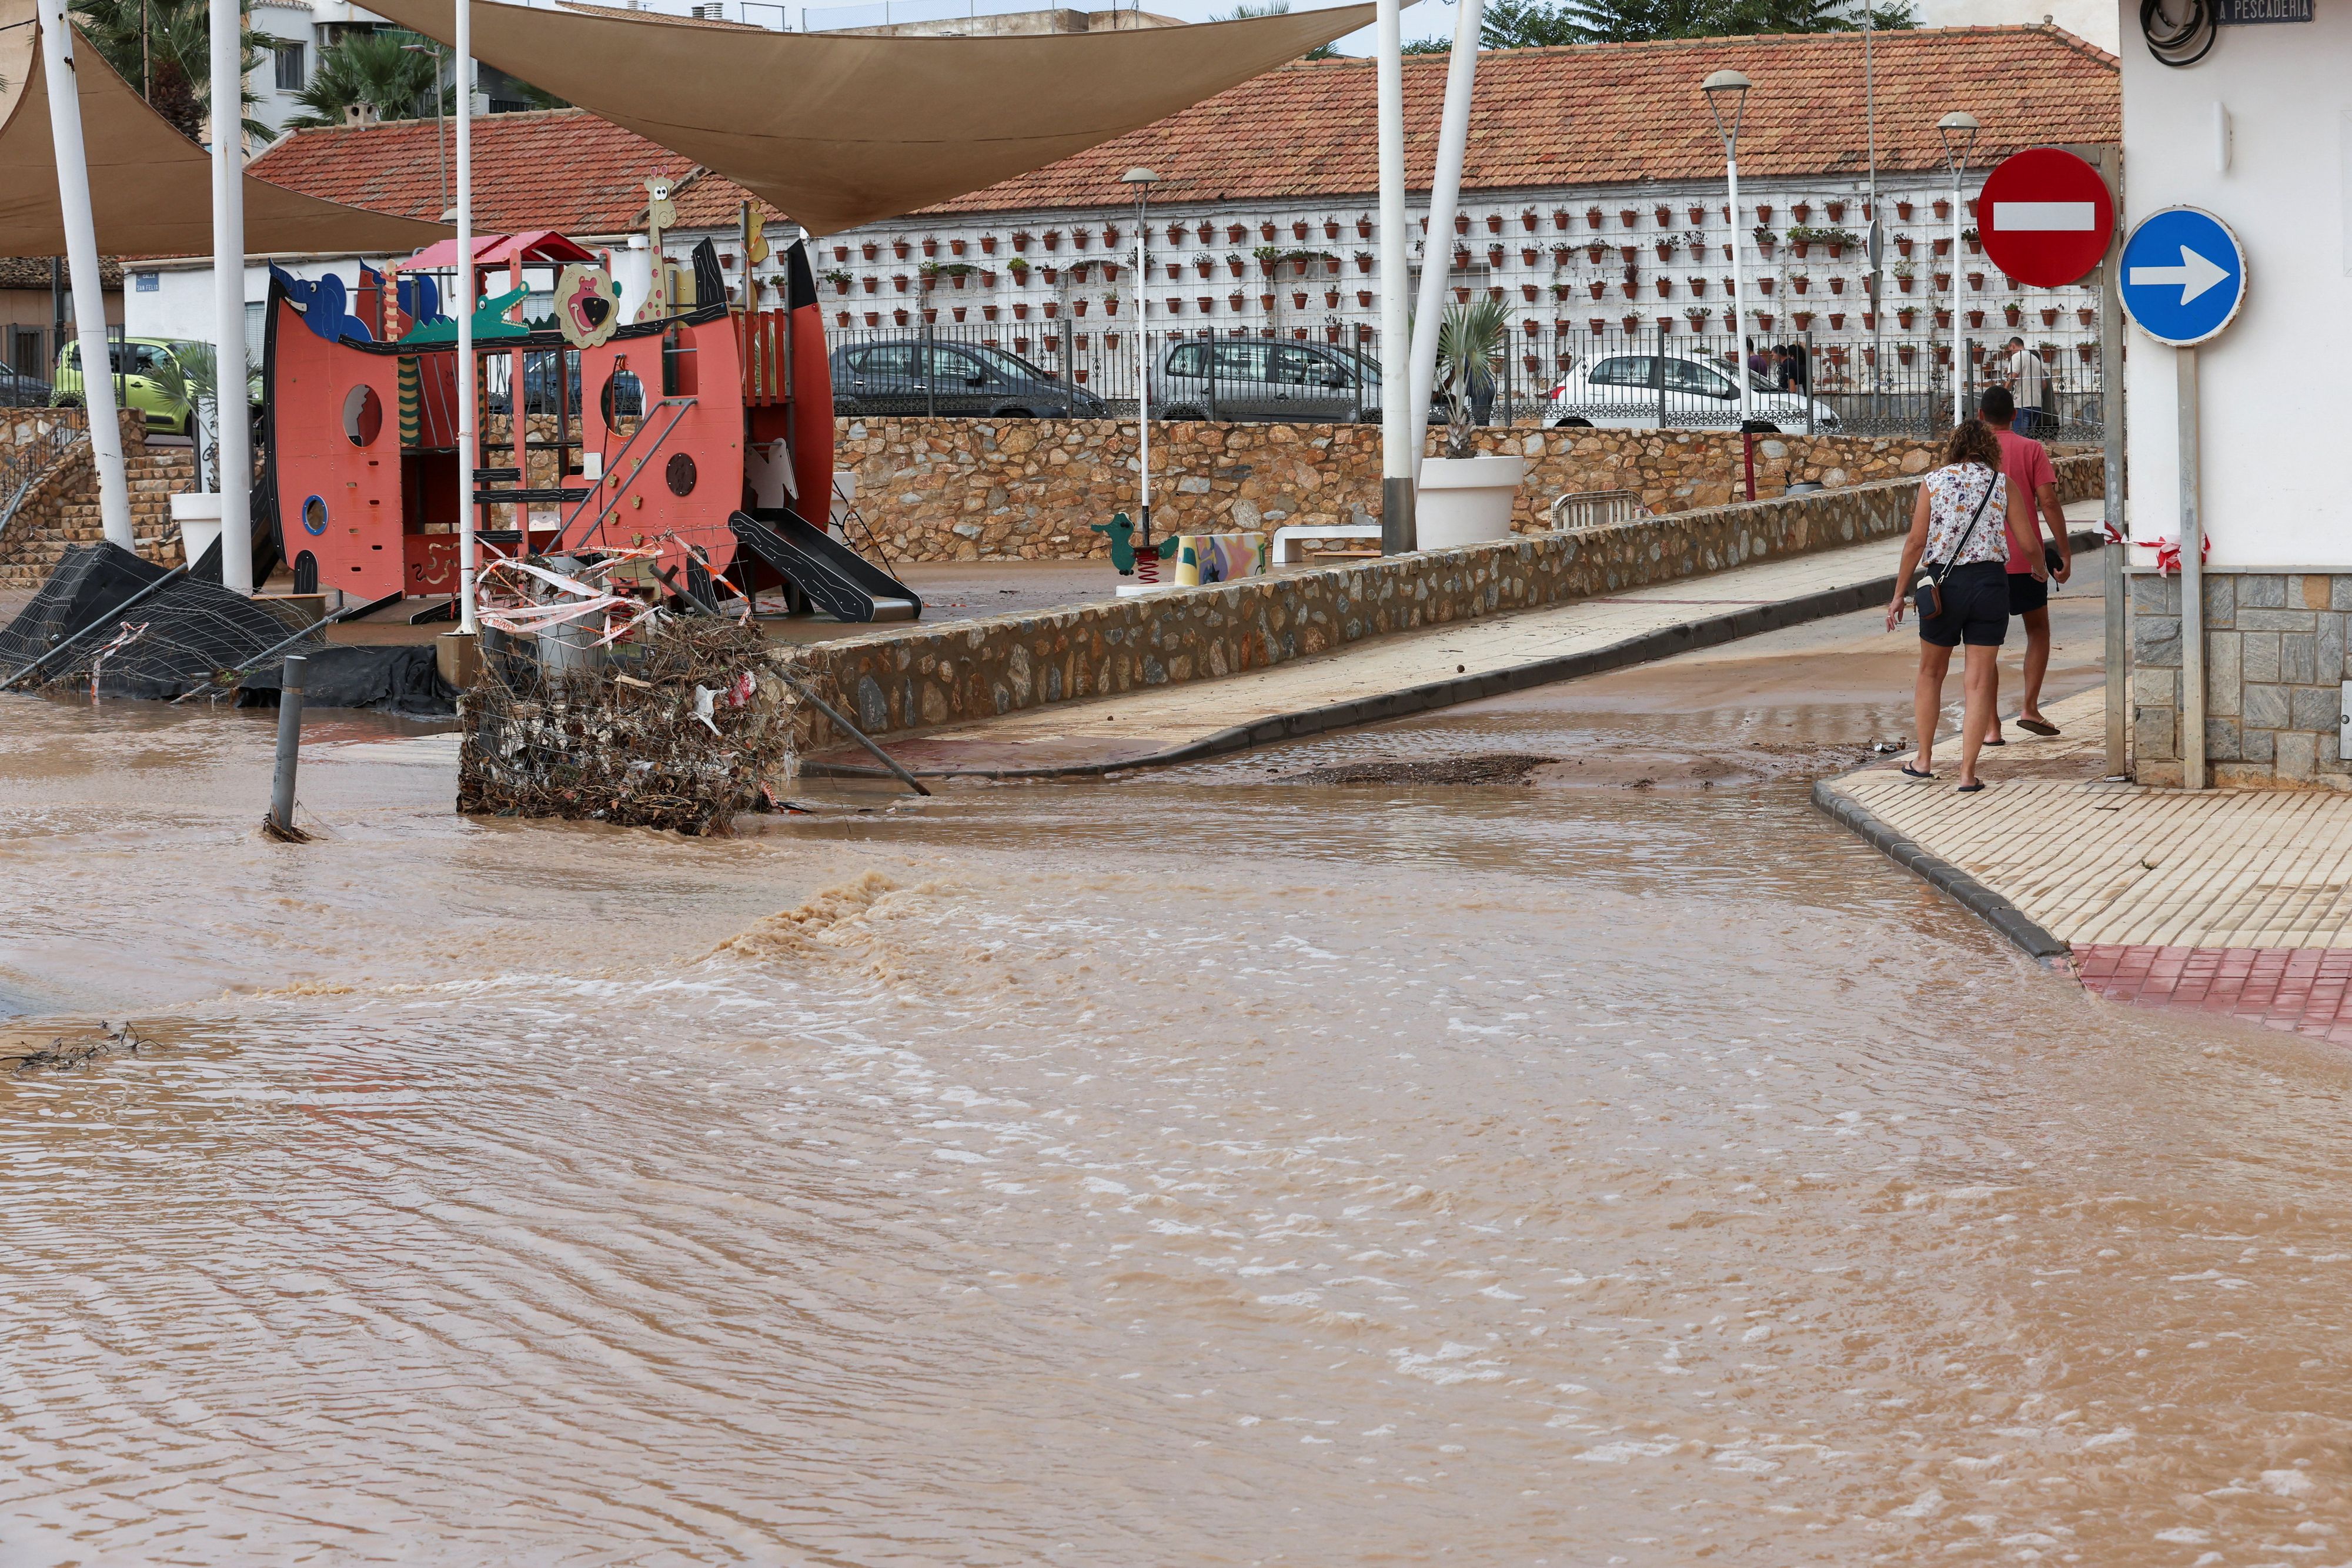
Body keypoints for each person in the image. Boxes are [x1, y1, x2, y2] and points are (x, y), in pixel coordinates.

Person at [1886, 417, 2045, 793]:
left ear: (1954, 447)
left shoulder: (1934, 482)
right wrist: (2039, 569)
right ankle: (1967, 774)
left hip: (1944, 584)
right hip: (1991, 584)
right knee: (1978, 682)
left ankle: (1923, 761)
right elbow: (2027, 539)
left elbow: (1915, 542)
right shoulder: (2002, 484)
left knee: (1930, 673)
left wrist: (1898, 594)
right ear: (1990, 449)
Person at [1977, 386, 2070, 744]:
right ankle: (2029, 707)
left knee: (1985, 644)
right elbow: (2048, 501)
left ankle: (1991, 728)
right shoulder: (2032, 449)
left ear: (1981, 416)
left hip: (1985, 561)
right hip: (2027, 560)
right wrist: (2064, 551)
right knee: (2038, 631)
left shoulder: (1973, 456)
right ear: (2016, 415)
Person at [2002, 336, 2049, 436]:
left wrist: (2004, 391)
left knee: (2019, 437)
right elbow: (2044, 385)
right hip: (2037, 404)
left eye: (2010, 349)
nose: (2010, 352)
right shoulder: (2035, 359)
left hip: (2022, 404)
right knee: (2029, 438)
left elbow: (2013, 376)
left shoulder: (2017, 357)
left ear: (2013, 346)